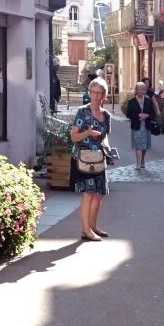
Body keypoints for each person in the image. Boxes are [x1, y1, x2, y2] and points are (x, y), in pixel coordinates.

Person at [70, 77, 113, 241]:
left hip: (99, 158)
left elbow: (105, 136)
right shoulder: (82, 112)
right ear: (89, 93)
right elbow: (74, 137)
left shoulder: (106, 115)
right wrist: (87, 133)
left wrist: (107, 146)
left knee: (99, 194)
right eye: (93, 92)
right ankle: (85, 230)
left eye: (99, 93)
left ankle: (93, 226)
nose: (96, 96)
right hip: (84, 158)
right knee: (88, 193)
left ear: (104, 95)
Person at [125, 81, 157, 169]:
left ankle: (143, 159)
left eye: (143, 89)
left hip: (146, 125)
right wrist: (138, 115)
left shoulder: (148, 101)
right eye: (139, 89)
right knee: (138, 144)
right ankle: (138, 163)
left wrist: (147, 115)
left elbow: (153, 113)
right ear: (136, 90)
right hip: (137, 125)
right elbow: (129, 114)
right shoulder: (132, 101)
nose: (141, 91)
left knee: (145, 145)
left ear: (145, 90)